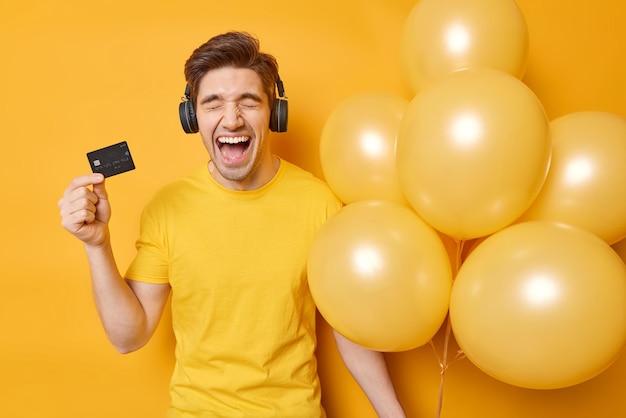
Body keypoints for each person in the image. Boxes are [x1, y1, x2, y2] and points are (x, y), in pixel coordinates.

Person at [58, 31, 406, 418]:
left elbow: (349, 326)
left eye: (248, 102)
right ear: (193, 118)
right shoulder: (167, 208)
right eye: (213, 104)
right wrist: (96, 244)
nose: (231, 118)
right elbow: (128, 337)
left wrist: (394, 414)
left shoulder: (320, 203)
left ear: (273, 112)